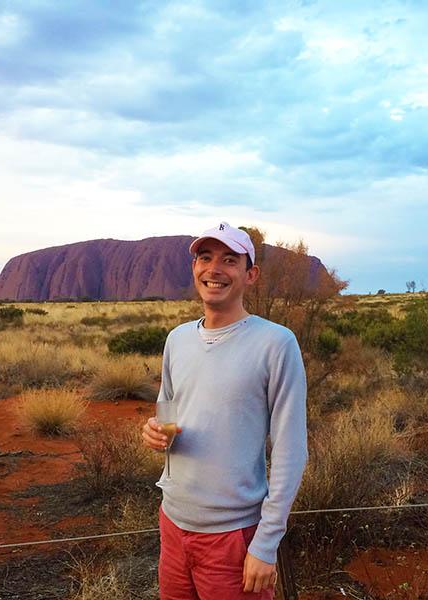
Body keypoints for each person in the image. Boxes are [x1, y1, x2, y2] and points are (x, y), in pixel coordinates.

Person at [141, 222, 308, 599]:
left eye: (230, 260)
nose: (214, 269)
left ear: (251, 274)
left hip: (234, 537)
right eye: (205, 258)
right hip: (173, 524)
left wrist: (265, 544)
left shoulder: (276, 343)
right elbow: (167, 412)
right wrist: (154, 432)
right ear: (194, 268)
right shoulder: (177, 339)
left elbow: (291, 450)